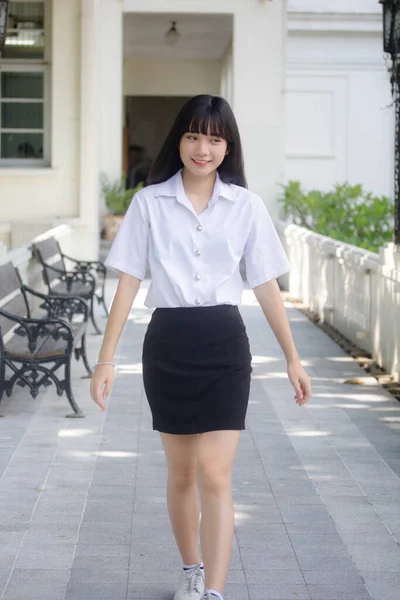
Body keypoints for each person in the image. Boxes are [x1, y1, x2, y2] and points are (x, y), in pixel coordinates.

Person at [90, 95, 312, 600]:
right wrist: (106, 359)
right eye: (194, 136)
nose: (203, 148)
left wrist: (292, 357)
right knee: (182, 471)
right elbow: (127, 283)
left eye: (214, 138)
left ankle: (213, 590)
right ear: (180, 141)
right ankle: (191, 568)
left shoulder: (246, 207)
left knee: (216, 471)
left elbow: (265, 285)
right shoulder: (148, 203)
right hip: (167, 343)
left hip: (224, 344)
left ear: (227, 145)